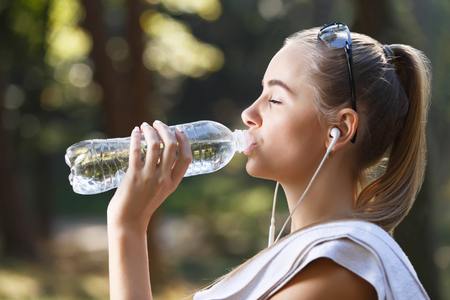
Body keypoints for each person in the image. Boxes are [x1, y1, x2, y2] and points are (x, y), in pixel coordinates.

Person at [106, 22, 431, 299]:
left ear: (340, 129)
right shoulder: (314, 255)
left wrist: (128, 227)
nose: (248, 114)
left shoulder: (338, 267)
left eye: (275, 99)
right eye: (261, 93)